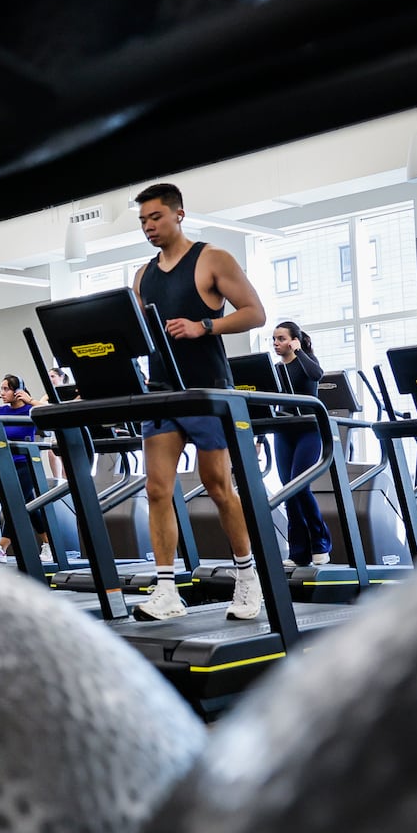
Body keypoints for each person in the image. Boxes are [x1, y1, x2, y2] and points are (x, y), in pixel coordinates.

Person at [131, 182, 267, 621]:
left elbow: (255, 312)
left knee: (218, 486)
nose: (149, 227)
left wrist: (203, 326)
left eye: (155, 218)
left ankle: (248, 581)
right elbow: (137, 332)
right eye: (143, 221)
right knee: (157, 490)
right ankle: (167, 590)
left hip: (206, 389)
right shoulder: (142, 275)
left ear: (179, 214)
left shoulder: (212, 259)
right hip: (161, 392)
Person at [271, 321, 333, 568]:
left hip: (309, 431)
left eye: (281, 338)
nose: (276, 343)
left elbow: (317, 375)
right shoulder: (275, 369)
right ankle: (298, 552)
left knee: (300, 486)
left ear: (294, 340)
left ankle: (321, 543)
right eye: (274, 339)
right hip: (283, 431)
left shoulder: (307, 363)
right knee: (288, 489)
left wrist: (299, 352)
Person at [0, 374, 53, 564]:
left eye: (6, 389)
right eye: (1, 388)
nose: (3, 393)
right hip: (7, 464)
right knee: (30, 507)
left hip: (26, 463)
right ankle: (49, 544)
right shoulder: (1, 410)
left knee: (14, 504)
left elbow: (51, 411)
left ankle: (2, 548)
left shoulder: (31, 409)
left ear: (17, 391)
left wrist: (31, 400)